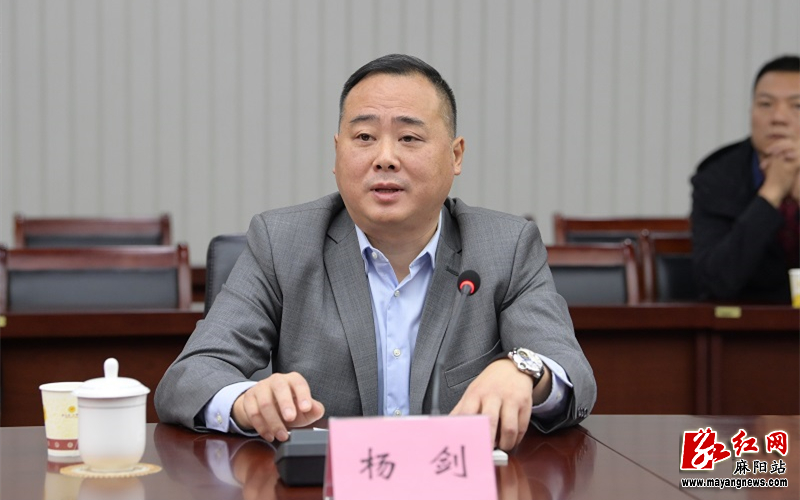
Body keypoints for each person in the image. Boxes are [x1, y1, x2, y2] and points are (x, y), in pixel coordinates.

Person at [155, 54, 596, 451]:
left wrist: (525, 371)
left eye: (409, 138)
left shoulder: (506, 247)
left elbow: (574, 374)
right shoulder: (282, 242)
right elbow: (188, 377)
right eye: (364, 136)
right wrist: (247, 401)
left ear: (456, 155)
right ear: (337, 154)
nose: (385, 158)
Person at [691, 55, 800, 303]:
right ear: (751, 111)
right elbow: (714, 282)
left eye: (797, 106)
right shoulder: (718, 177)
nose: (778, 117)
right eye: (765, 104)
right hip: (747, 322)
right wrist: (770, 194)